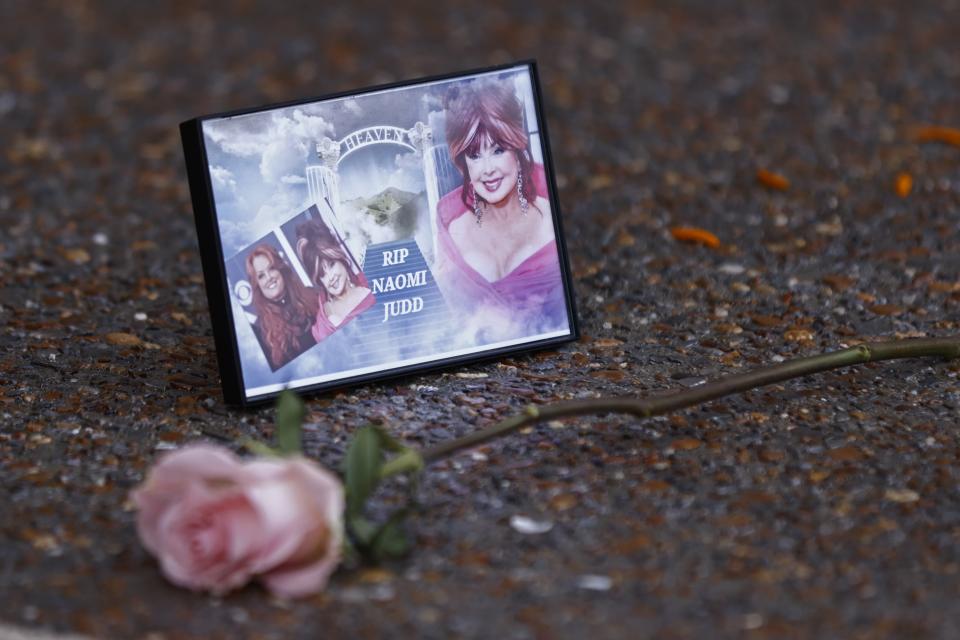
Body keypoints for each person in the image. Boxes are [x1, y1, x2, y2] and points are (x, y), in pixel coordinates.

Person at [434, 76, 567, 341]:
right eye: (474, 155)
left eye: (497, 150)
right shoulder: (452, 232)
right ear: (463, 163)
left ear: (517, 149)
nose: (487, 169)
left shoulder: (552, 219)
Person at [295, 219, 375, 342]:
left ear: (340, 258)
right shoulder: (322, 326)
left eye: (331, 265)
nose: (330, 277)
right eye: (322, 274)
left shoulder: (371, 282)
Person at [244, 244, 318, 370]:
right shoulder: (262, 332)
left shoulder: (312, 295)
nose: (269, 278)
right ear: (257, 285)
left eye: (272, 268)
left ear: (281, 269)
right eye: (261, 275)